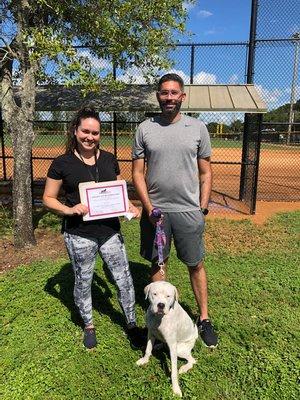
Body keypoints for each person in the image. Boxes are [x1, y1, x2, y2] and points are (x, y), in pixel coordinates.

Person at [43, 106, 144, 350]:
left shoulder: (109, 158)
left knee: (123, 279)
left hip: (110, 231)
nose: (90, 137)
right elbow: (48, 198)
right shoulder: (62, 163)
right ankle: (89, 325)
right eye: (85, 131)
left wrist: (129, 205)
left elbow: (118, 184)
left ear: (101, 134)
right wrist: (69, 210)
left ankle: (131, 324)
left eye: (95, 133)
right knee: (83, 280)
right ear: (75, 131)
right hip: (79, 234)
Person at [132, 73, 218, 347]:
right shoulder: (144, 128)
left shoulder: (198, 128)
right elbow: (137, 173)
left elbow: (206, 172)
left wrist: (202, 207)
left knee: (195, 263)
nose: (169, 97)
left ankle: (203, 319)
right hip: (155, 213)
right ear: (157, 96)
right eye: (164, 92)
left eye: (173, 93)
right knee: (158, 263)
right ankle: (159, 323)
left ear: (182, 96)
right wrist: (148, 208)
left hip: (188, 212)